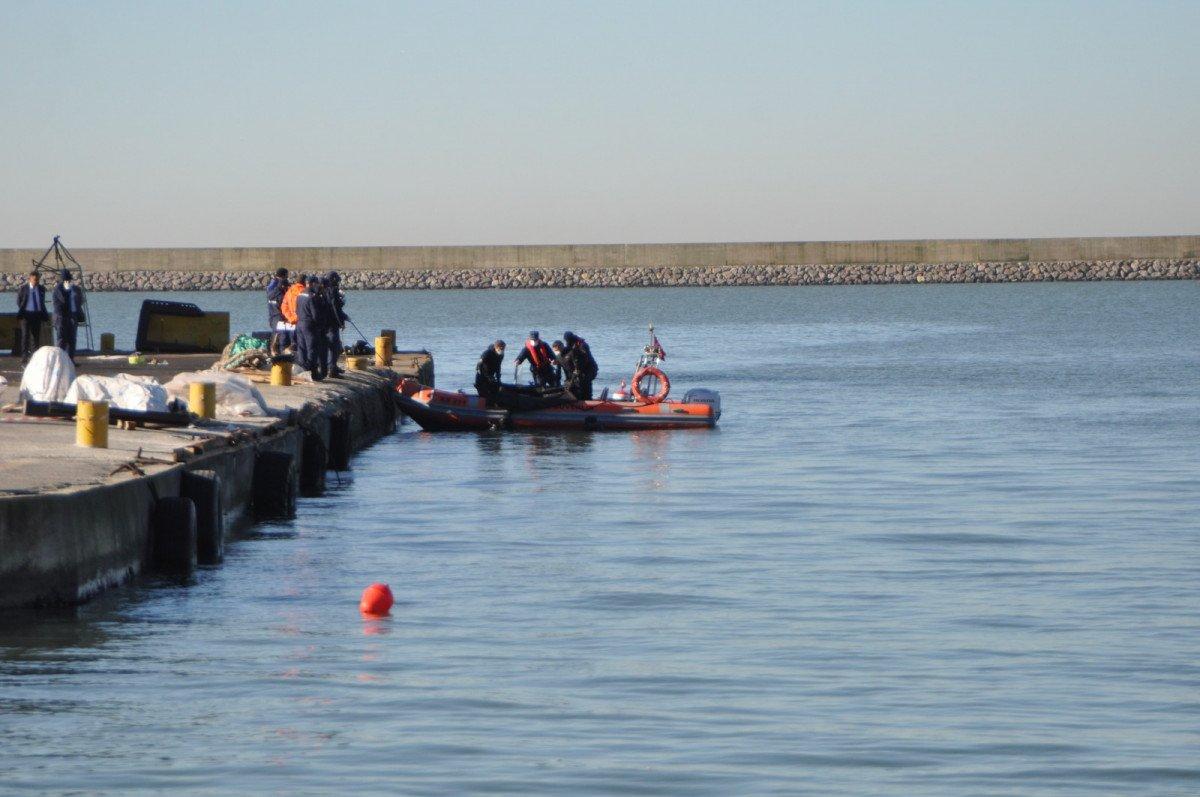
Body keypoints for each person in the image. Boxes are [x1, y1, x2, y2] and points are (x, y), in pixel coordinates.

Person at [295, 275, 329, 380]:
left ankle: (302, 369)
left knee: (301, 348)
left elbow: (296, 310)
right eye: (316, 283)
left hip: (299, 323)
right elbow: (315, 315)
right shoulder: (312, 297)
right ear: (313, 284)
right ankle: (313, 372)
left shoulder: (300, 295)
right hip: (309, 325)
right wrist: (320, 325)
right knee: (312, 348)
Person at [15, 271, 49, 364]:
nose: (36, 281)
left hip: (37, 314)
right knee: (25, 336)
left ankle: (35, 357)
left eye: (38, 280)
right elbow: (18, 301)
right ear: (30, 279)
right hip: (26, 315)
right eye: (35, 280)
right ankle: (24, 357)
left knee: (36, 337)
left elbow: (42, 302)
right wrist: (23, 309)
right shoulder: (23, 288)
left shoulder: (41, 289)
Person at [52, 270, 85, 362]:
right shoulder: (58, 289)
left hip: (73, 316)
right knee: (61, 339)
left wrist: (77, 309)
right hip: (61, 317)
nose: (67, 282)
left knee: (72, 339)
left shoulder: (75, 289)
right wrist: (67, 291)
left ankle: (70, 360)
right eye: (66, 280)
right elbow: (60, 302)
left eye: (68, 280)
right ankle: (59, 361)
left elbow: (81, 300)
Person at [562, 331, 599, 400]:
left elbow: (585, 358)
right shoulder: (571, 343)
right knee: (579, 384)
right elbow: (567, 349)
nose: (567, 342)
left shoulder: (583, 345)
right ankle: (581, 398)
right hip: (581, 368)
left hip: (590, 368)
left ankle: (588, 399)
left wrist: (578, 369)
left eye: (567, 340)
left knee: (586, 383)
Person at [323, 272, 347, 378]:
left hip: (324, 323)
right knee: (334, 345)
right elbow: (335, 308)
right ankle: (332, 369)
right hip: (332, 323)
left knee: (329, 345)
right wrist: (341, 322)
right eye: (337, 280)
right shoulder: (332, 291)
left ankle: (332, 366)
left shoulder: (323, 290)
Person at [267, 268, 290, 356]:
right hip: (278, 315)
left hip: (273, 314)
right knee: (280, 335)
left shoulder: (272, 286)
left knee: (276, 333)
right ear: (283, 275)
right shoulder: (277, 287)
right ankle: (279, 354)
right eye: (287, 275)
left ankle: (274, 352)